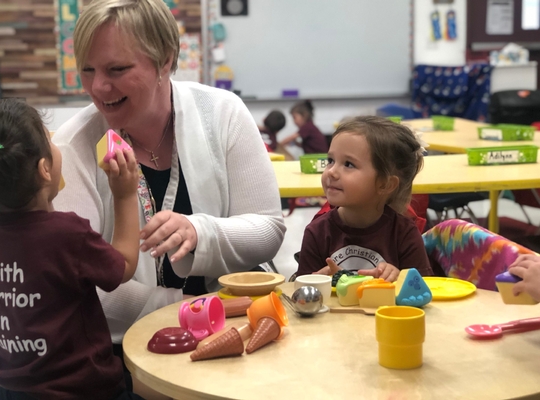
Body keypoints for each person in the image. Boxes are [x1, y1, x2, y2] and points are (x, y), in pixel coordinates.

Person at [52, 0, 285, 353]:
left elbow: (268, 228)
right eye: (87, 70)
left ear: (166, 60)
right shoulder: (72, 145)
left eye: (116, 69)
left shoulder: (222, 113)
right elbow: (77, 279)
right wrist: (183, 306)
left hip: (228, 332)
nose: (98, 87)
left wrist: (200, 230)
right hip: (121, 349)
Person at [0, 99, 142, 399]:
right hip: (80, 389)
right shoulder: (67, 235)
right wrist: (125, 195)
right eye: (51, 140)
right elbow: (124, 266)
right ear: (45, 169)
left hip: (12, 390)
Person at [295, 116, 433, 281]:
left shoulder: (404, 234)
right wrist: (319, 282)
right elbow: (302, 297)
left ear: (385, 184)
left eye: (348, 164)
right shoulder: (317, 232)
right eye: (330, 160)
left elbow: (422, 294)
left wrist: (399, 279)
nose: (331, 171)